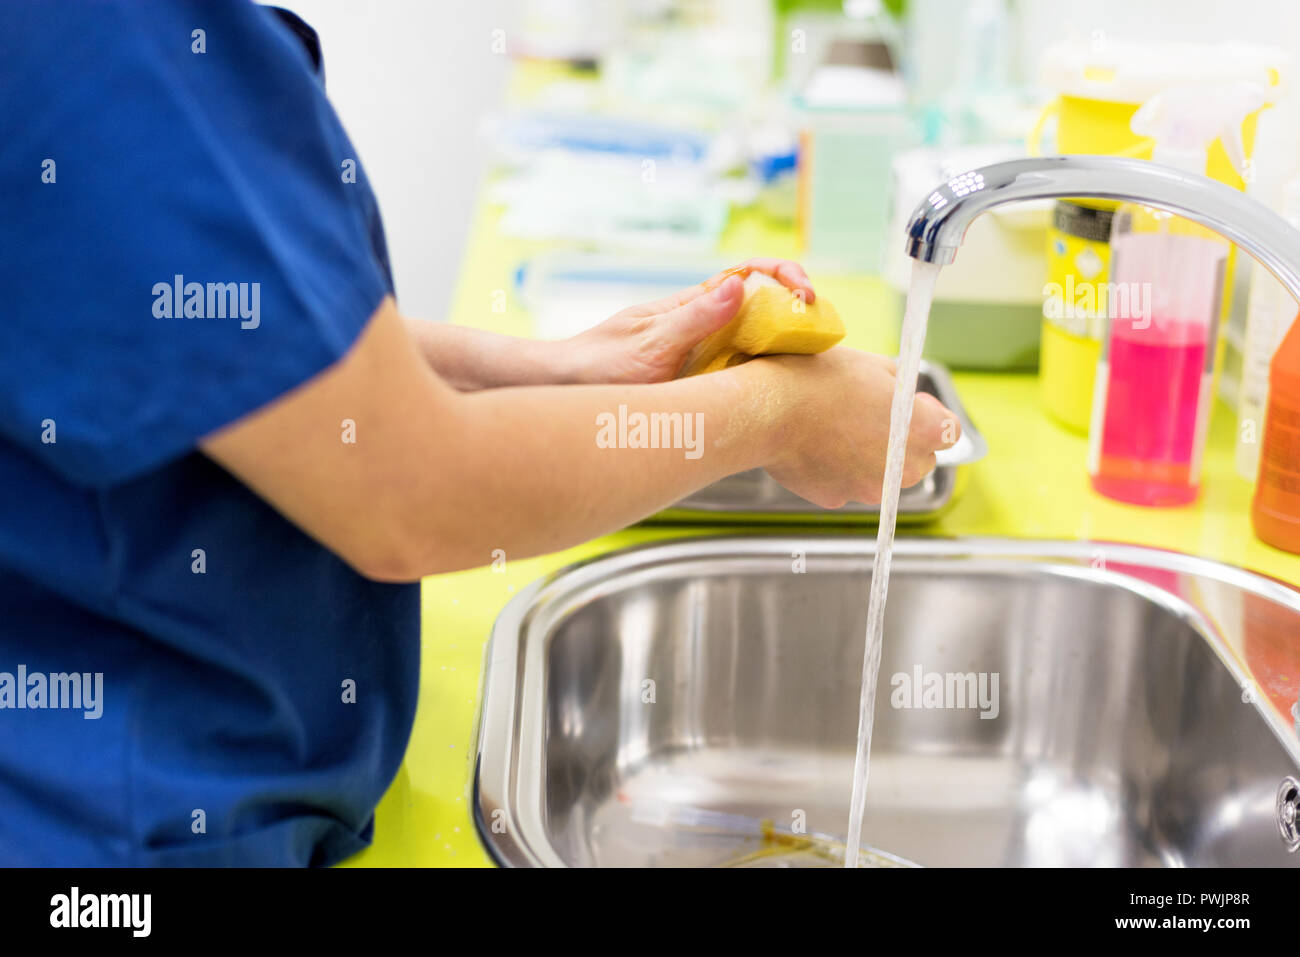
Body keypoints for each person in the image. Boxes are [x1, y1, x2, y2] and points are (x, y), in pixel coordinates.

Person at [0, 2, 958, 865]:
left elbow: (203, 332)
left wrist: (552, 367)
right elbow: (408, 490)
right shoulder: (108, 35)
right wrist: (779, 415)